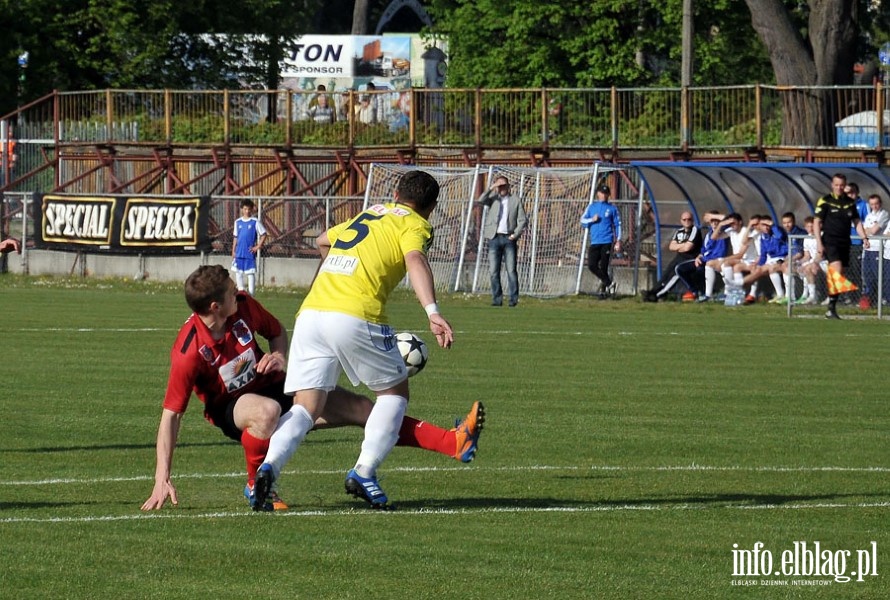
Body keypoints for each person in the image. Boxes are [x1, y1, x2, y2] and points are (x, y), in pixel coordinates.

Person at [141, 264, 483, 512]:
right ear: (214, 306)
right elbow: (171, 416)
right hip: (232, 408)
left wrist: (279, 356)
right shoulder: (187, 352)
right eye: (231, 291)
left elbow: (276, 330)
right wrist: (162, 476)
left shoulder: (243, 306)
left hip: (279, 384)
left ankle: (453, 442)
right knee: (266, 412)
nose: (238, 292)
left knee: (366, 409)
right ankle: (256, 486)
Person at [253, 170, 454, 511]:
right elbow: (416, 258)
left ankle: (268, 467)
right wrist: (432, 311)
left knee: (306, 406)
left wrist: (339, 275)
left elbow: (322, 240)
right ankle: (365, 470)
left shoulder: (371, 212)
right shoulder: (416, 224)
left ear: (395, 192)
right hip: (355, 314)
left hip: (312, 313)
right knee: (393, 393)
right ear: (431, 207)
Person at [814, 173, 870, 319]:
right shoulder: (825, 201)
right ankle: (831, 306)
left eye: (841, 185)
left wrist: (864, 237)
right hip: (830, 241)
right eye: (836, 185)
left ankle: (831, 307)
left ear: (845, 186)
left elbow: (857, 222)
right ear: (832, 185)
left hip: (845, 242)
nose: (839, 187)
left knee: (839, 273)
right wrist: (819, 243)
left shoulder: (850, 203)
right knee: (837, 269)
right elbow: (816, 222)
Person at [478, 174, 529, 307]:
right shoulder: (493, 199)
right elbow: (481, 200)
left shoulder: (515, 200)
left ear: (508, 186)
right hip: (494, 237)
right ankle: (497, 299)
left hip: (508, 238)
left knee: (511, 270)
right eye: (500, 186)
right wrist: (492, 187)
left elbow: (522, 220)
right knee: (493, 271)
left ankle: (513, 300)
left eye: (504, 185)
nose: (502, 188)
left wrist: (515, 234)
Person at [642, 211, 702, 302]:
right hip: (679, 257)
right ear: (681, 221)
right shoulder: (679, 231)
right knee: (666, 275)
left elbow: (688, 248)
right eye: (684, 219)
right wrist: (683, 246)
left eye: (689, 219)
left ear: (693, 220)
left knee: (675, 273)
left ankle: (657, 295)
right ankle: (653, 291)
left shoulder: (695, 230)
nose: (687, 221)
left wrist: (680, 247)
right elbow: (671, 246)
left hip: (690, 259)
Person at [674, 211, 728, 302]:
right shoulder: (708, 235)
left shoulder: (724, 231)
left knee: (700, 270)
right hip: (705, 259)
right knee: (680, 268)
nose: (714, 223)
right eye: (712, 221)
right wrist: (698, 257)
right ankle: (694, 291)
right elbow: (703, 250)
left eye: (716, 221)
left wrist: (712, 216)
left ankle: (706, 293)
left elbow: (728, 219)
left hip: (717, 260)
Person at [580, 183, 622, 298]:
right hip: (595, 241)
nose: (603, 195)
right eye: (602, 193)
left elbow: (617, 224)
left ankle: (603, 292)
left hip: (607, 241)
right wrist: (592, 220)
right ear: (598, 194)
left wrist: (618, 240)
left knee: (604, 266)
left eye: (606, 193)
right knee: (592, 265)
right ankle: (610, 284)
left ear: (608, 195)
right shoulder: (591, 207)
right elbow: (582, 221)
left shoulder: (612, 209)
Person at [231, 199, 267, 296]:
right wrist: (233, 250)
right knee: (238, 274)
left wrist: (257, 246)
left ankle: (251, 297)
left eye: (249, 209)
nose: (247, 211)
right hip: (239, 253)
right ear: (242, 209)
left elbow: (263, 234)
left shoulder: (254, 221)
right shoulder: (237, 222)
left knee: (250, 275)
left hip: (249, 253)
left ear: (251, 210)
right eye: (245, 209)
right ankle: (241, 294)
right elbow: (235, 237)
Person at [858, 194, 888, 307]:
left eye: (876, 204)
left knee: (878, 275)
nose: (874, 206)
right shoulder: (869, 216)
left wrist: (867, 230)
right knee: (867, 275)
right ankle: (870, 299)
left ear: (880, 204)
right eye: (872, 204)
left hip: (878, 249)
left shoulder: (884, 214)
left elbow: (875, 231)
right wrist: (867, 230)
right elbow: (863, 230)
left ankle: (882, 298)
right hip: (868, 249)